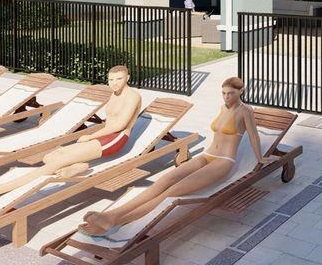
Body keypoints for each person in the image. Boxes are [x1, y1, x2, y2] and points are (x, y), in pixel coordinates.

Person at [78, 76, 277, 236]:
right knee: (163, 181)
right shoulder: (222, 107)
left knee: (170, 192)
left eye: (231, 93)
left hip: (223, 161)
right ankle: (111, 213)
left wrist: (260, 158)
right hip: (207, 155)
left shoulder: (245, 111)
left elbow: (253, 136)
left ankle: (115, 221)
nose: (226, 97)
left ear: (240, 92)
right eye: (223, 93)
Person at [0, 65, 142, 203]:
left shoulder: (132, 96)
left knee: (52, 164)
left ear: (128, 77)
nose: (114, 83)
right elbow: (110, 121)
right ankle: (79, 167)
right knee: (51, 156)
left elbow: (119, 125)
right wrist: (93, 136)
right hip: (103, 135)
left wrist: (91, 136)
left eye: (119, 79)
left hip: (115, 139)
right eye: (111, 79)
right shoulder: (114, 94)